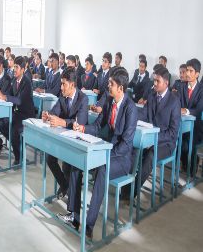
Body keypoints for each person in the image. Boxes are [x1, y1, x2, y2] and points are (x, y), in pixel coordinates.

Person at [58, 67, 137, 237]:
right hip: (105, 150)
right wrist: (83, 128)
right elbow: (98, 126)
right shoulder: (109, 101)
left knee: (102, 170)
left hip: (121, 159)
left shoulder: (130, 108)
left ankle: (89, 225)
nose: (108, 86)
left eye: (111, 84)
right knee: (77, 163)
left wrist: (105, 154)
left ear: (121, 88)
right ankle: (74, 215)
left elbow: (126, 144)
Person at [132, 66, 180, 194]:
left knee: (150, 155)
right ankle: (127, 184)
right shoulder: (152, 96)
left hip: (166, 143)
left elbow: (173, 133)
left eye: (157, 81)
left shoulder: (174, 101)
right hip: (150, 138)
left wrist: (153, 140)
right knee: (133, 148)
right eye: (154, 80)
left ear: (166, 83)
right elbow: (144, 115)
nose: (154, 84)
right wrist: (133, 119)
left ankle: (131, 192)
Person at [42, 67, 88, 200]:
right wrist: (48, 116)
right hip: (63, 136)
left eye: (64, 84)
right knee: (50, 159)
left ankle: (70, 193)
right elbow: (55, 110)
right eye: (61, 84)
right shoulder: (62, 96)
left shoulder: (83, 99)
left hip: (76, 139)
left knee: (68, 166)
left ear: (72, 85)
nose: (61, 87)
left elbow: (80, 122)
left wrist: (62, 122)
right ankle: (65, 185)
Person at [0, 56, 35, 165]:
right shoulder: (13, 80)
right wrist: (1, 95)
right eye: (14, 67)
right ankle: (17, 145)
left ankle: (19, 156)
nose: (14, 70)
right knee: (2, 125)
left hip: (26, 114)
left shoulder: (27, 82)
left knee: (14, 130)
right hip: (17, 112)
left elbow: (20, 100)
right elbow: (10, 95)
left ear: (22, 69)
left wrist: (5, 97)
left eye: (17, 67)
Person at [177, 58, 203, 173]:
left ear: (197, 74)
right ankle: (186, 161)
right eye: (186, 70)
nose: (187, 73)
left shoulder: (201, 89)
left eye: (190, 71)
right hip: (181, 124)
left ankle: (193, 161)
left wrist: (185, 111)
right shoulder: (181, 86)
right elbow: (176, 103)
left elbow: (198, 110)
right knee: (177, 142)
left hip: (196, 127)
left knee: (186, 145)